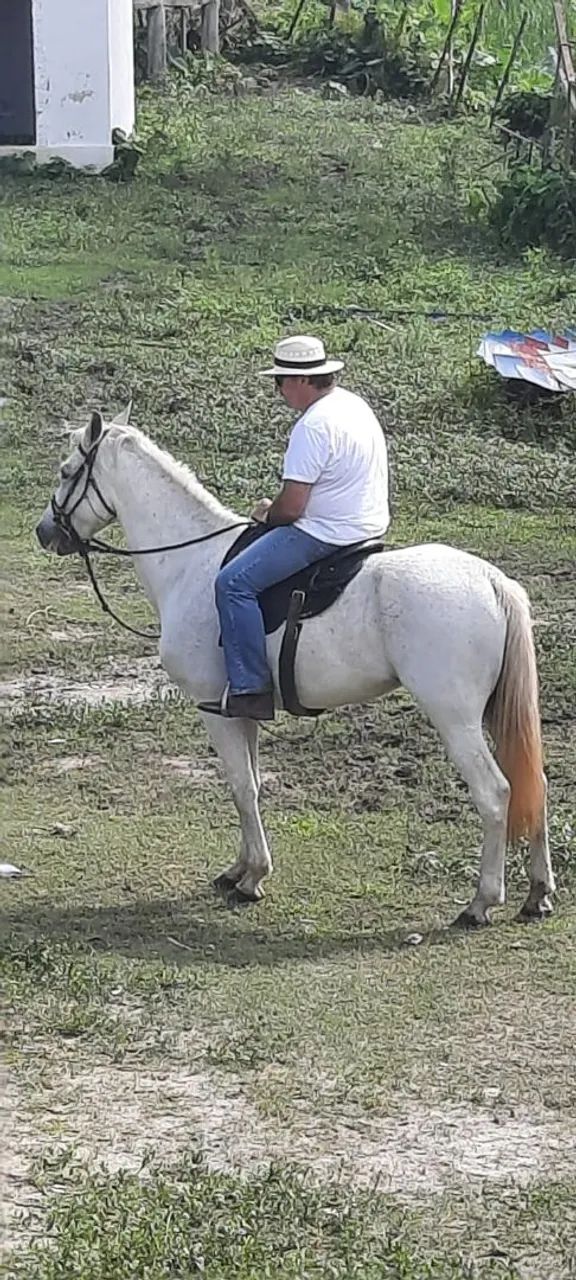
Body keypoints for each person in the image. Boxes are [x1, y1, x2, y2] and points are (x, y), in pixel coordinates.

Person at [198, 335, 390, 721]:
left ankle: (249, 688)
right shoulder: (353, 404)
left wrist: (267, 513)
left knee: (233, 583)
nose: (279, 391)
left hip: (325, 534)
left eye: (280, 381)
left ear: (301, 381)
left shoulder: (313, 426)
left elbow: (292, 508)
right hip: (368, 523)